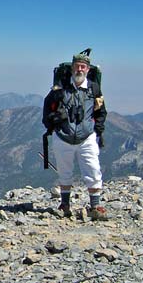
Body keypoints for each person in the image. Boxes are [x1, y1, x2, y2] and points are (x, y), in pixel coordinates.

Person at [42, 52, 108, 220]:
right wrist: (51, 124)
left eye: (83, 66)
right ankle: (65, 205)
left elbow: (101, 111)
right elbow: (47, 107)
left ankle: (96, 206)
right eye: (77, 66)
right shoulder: (59, 89)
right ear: (72, 68)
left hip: (87, 137)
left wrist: (98, 130)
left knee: (93, 170)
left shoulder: (94, 89)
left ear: (88, 69)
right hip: (63, 136)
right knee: (65, 172)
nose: (80, 69)